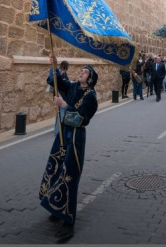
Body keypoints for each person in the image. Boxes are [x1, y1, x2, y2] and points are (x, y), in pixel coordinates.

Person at [40, 54, 100, 241]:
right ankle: (55, 205)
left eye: (85, 72)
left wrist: (64, 105)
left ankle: (68, 220)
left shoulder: (91, 97)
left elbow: (81, 119)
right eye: (81, 71)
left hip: (75, 139)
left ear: (90, 79)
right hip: (62, 136)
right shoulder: (73, 86)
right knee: (56, 169)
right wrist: (55, 66)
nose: (81, 73)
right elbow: (55, 82)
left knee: (69, 175)